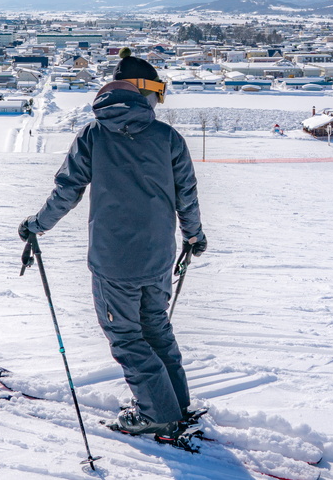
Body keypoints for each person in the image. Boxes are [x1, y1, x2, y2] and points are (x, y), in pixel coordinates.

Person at [19, 48, 206, 437]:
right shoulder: (167, 137)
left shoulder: (94, 134)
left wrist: (37, 225)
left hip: (113, 259)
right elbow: (186, 194)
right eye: (157, 91)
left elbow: (67, 190)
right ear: (141, 91)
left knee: (126, 336)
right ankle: (175, 403)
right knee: (155, 328)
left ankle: (157, 412)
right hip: (158, 256)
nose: (158, 99)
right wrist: (193, 234)